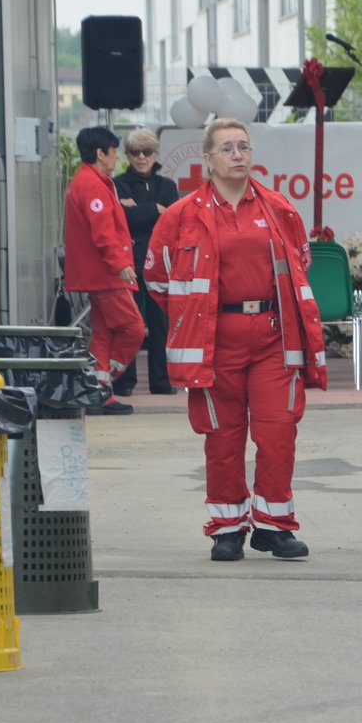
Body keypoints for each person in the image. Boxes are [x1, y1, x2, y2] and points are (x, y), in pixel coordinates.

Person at [144, 119, 329, 562]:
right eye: (227, 148)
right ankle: (227, 529)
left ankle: (273, 526)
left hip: (272, 340)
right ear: (207, 159)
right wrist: (196, 319)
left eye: (243, 147)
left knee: (279, 432)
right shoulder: (180, 215)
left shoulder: (278, 208)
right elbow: (158, 279)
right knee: (223, 439)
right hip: (214, 343)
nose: (237, 155)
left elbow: (300, 262)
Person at [63, 125, 144, 416]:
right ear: (101, 153)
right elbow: (103, 233)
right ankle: (95, 385)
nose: (117, 156)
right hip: (105, 275)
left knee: (104, 333)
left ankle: (99, 391)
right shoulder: (94, 184)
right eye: (114, 151)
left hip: (99, 273)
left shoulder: (88, 181)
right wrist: (120, 265)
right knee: (133, 328)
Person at [112, 128, 180, 396]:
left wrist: (137, 211)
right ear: (127, 155)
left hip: (160, 265)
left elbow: (175, 222)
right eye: (135, 152)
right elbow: (120, 220)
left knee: (160, 324)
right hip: (128, 262)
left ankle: (161, 382)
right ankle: (123, 382)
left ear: (155, 154)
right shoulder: (117, 184)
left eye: (147, 152)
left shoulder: (168, 186)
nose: (141, 157)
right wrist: (154, 210)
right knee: (130, 324)